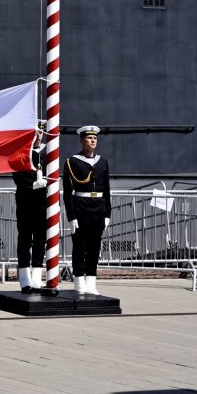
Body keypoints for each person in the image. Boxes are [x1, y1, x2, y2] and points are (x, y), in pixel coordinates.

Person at [63, 125, 112, 296]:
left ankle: (91, 281)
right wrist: (71, 216)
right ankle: (78, 281)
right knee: (79, 246)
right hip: (81, 207)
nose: (93, 141)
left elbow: (107, 190)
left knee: (94, 247)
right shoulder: (72, 162)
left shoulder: (103, 162)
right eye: (89, 138)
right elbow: (68, 193)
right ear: (82, 140)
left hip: (98, 207)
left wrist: (107, 214)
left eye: (95, 138)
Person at [12, 122, 48, 293]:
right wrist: (32, 185)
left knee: (41, 239)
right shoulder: (20, 152)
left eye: (40, 132)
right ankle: (25, 278)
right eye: (34, 132)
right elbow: (17, 175)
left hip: (42, 202)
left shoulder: (49, 153)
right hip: (26, 200)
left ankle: (36, 277)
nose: (37, 135)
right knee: (25, 238)